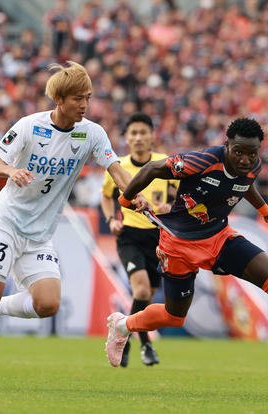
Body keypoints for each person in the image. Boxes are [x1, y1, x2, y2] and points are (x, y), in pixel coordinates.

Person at [0, 61, 148, 389]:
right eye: (77, 98)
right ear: (59, 100)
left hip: (39, 235)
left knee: (47, 304)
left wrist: (134, 193)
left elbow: (116, 169)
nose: (85, 105)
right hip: (5, 224)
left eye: (88, 97)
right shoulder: (30, 126)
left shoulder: (91, 133)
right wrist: (11, 171)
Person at [105, 117, 268, 375]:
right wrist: (126, 199)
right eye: (239, 152)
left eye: (252, 154)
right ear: (227, 145)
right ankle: (123, 326)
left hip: (219, 238)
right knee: (174, 316)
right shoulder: (201, 161)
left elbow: (244, 184)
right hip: (178, 243)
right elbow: (152, 168)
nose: (245, 160)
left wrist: (266, 212)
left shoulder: (253, 166)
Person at [100, 111, 178, 367]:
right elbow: (106, 196)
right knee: (142, 290)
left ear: (152, 135)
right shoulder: (118, 167)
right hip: (130, 236)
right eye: (133, 133)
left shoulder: (164, 164)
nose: (138, 137)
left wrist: (171, 208)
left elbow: (184, 195)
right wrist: (111, 219)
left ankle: (131, 338)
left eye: (143, 132)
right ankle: (142, 343)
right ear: (127, 137)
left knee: (147, 297)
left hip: (158, 237)